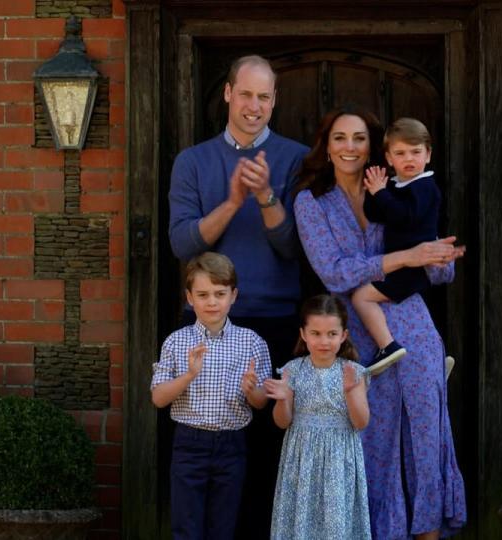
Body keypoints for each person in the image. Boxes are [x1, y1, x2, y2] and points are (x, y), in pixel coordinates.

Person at [292, 106, 467, 540]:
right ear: (326, 146)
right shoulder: (311, 201)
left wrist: (439, 258)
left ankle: (429, 533)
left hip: (413, 322)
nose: (349, 147)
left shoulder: (401, 186)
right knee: (372, 443)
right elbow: (333, 272)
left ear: (375, 148)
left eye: (358, 138)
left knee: (427, 438)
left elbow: (436, 268)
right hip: (358, 335)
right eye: (339, 138)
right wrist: (407, 257)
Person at [166, 54, 309, 537]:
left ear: (275, 101)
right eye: (245, 94)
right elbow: (184, 244)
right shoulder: (193, 161)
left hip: (273, 321)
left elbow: (294, 247)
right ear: (227, 93)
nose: (253, 106)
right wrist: (231, 202)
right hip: (208, 322)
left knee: (266, 450)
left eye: (263, 97)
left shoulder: (297, 158)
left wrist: (267, 196)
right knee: (204, 449)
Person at [150, 252, 272, 540]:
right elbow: (158, 398)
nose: (212, 302)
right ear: (190, 298)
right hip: (189, 444)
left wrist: (251, 389)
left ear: (233, 295)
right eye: (203, 294)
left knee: (223, 526)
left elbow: (261, 402)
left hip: (232, 444)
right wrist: (189, 375)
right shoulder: (177, 341)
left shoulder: (251, 342)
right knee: (186, 526)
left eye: (220, 293)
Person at [264, 294, 372, 539]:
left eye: (332, 334)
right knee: (302, 519)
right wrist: (282, 398)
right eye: (316, 333)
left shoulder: (354, 372)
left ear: (343, 335)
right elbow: (282, 421)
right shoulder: (292, 370)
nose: (324, 341)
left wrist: (351, 392)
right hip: (301, 458)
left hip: (339, 458)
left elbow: (361, 422)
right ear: (303, 333)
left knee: (336, 522)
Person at [353, 117, 442, 376]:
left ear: (428, 154)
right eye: (400, 153)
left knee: (361, 297)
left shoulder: (425, 187)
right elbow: (376, 214)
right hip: (400, 264)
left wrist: (382, 193)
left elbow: (405, 217)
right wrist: (374, 191)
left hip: (412, 268)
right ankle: (429, 360)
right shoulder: (398, 185)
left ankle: (387, 346)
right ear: (389, 159)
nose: (409, 159)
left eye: (416, 152)